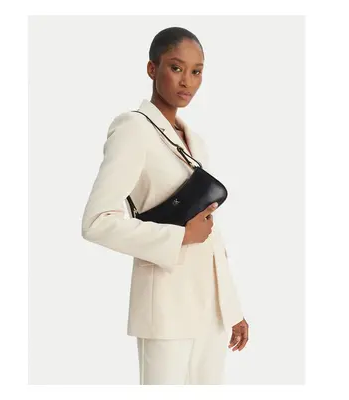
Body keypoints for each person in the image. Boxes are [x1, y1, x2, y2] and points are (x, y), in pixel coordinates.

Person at [81, 26, 249, 385]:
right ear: (152, 68)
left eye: (196, 71)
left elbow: (211, 233)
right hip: (166, 308)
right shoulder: (133, 129)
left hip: (211, 311)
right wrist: (180, 236)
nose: (187, 81)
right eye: (176, 68)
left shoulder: (194, 142)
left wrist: (232, 308)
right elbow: (96, 221)